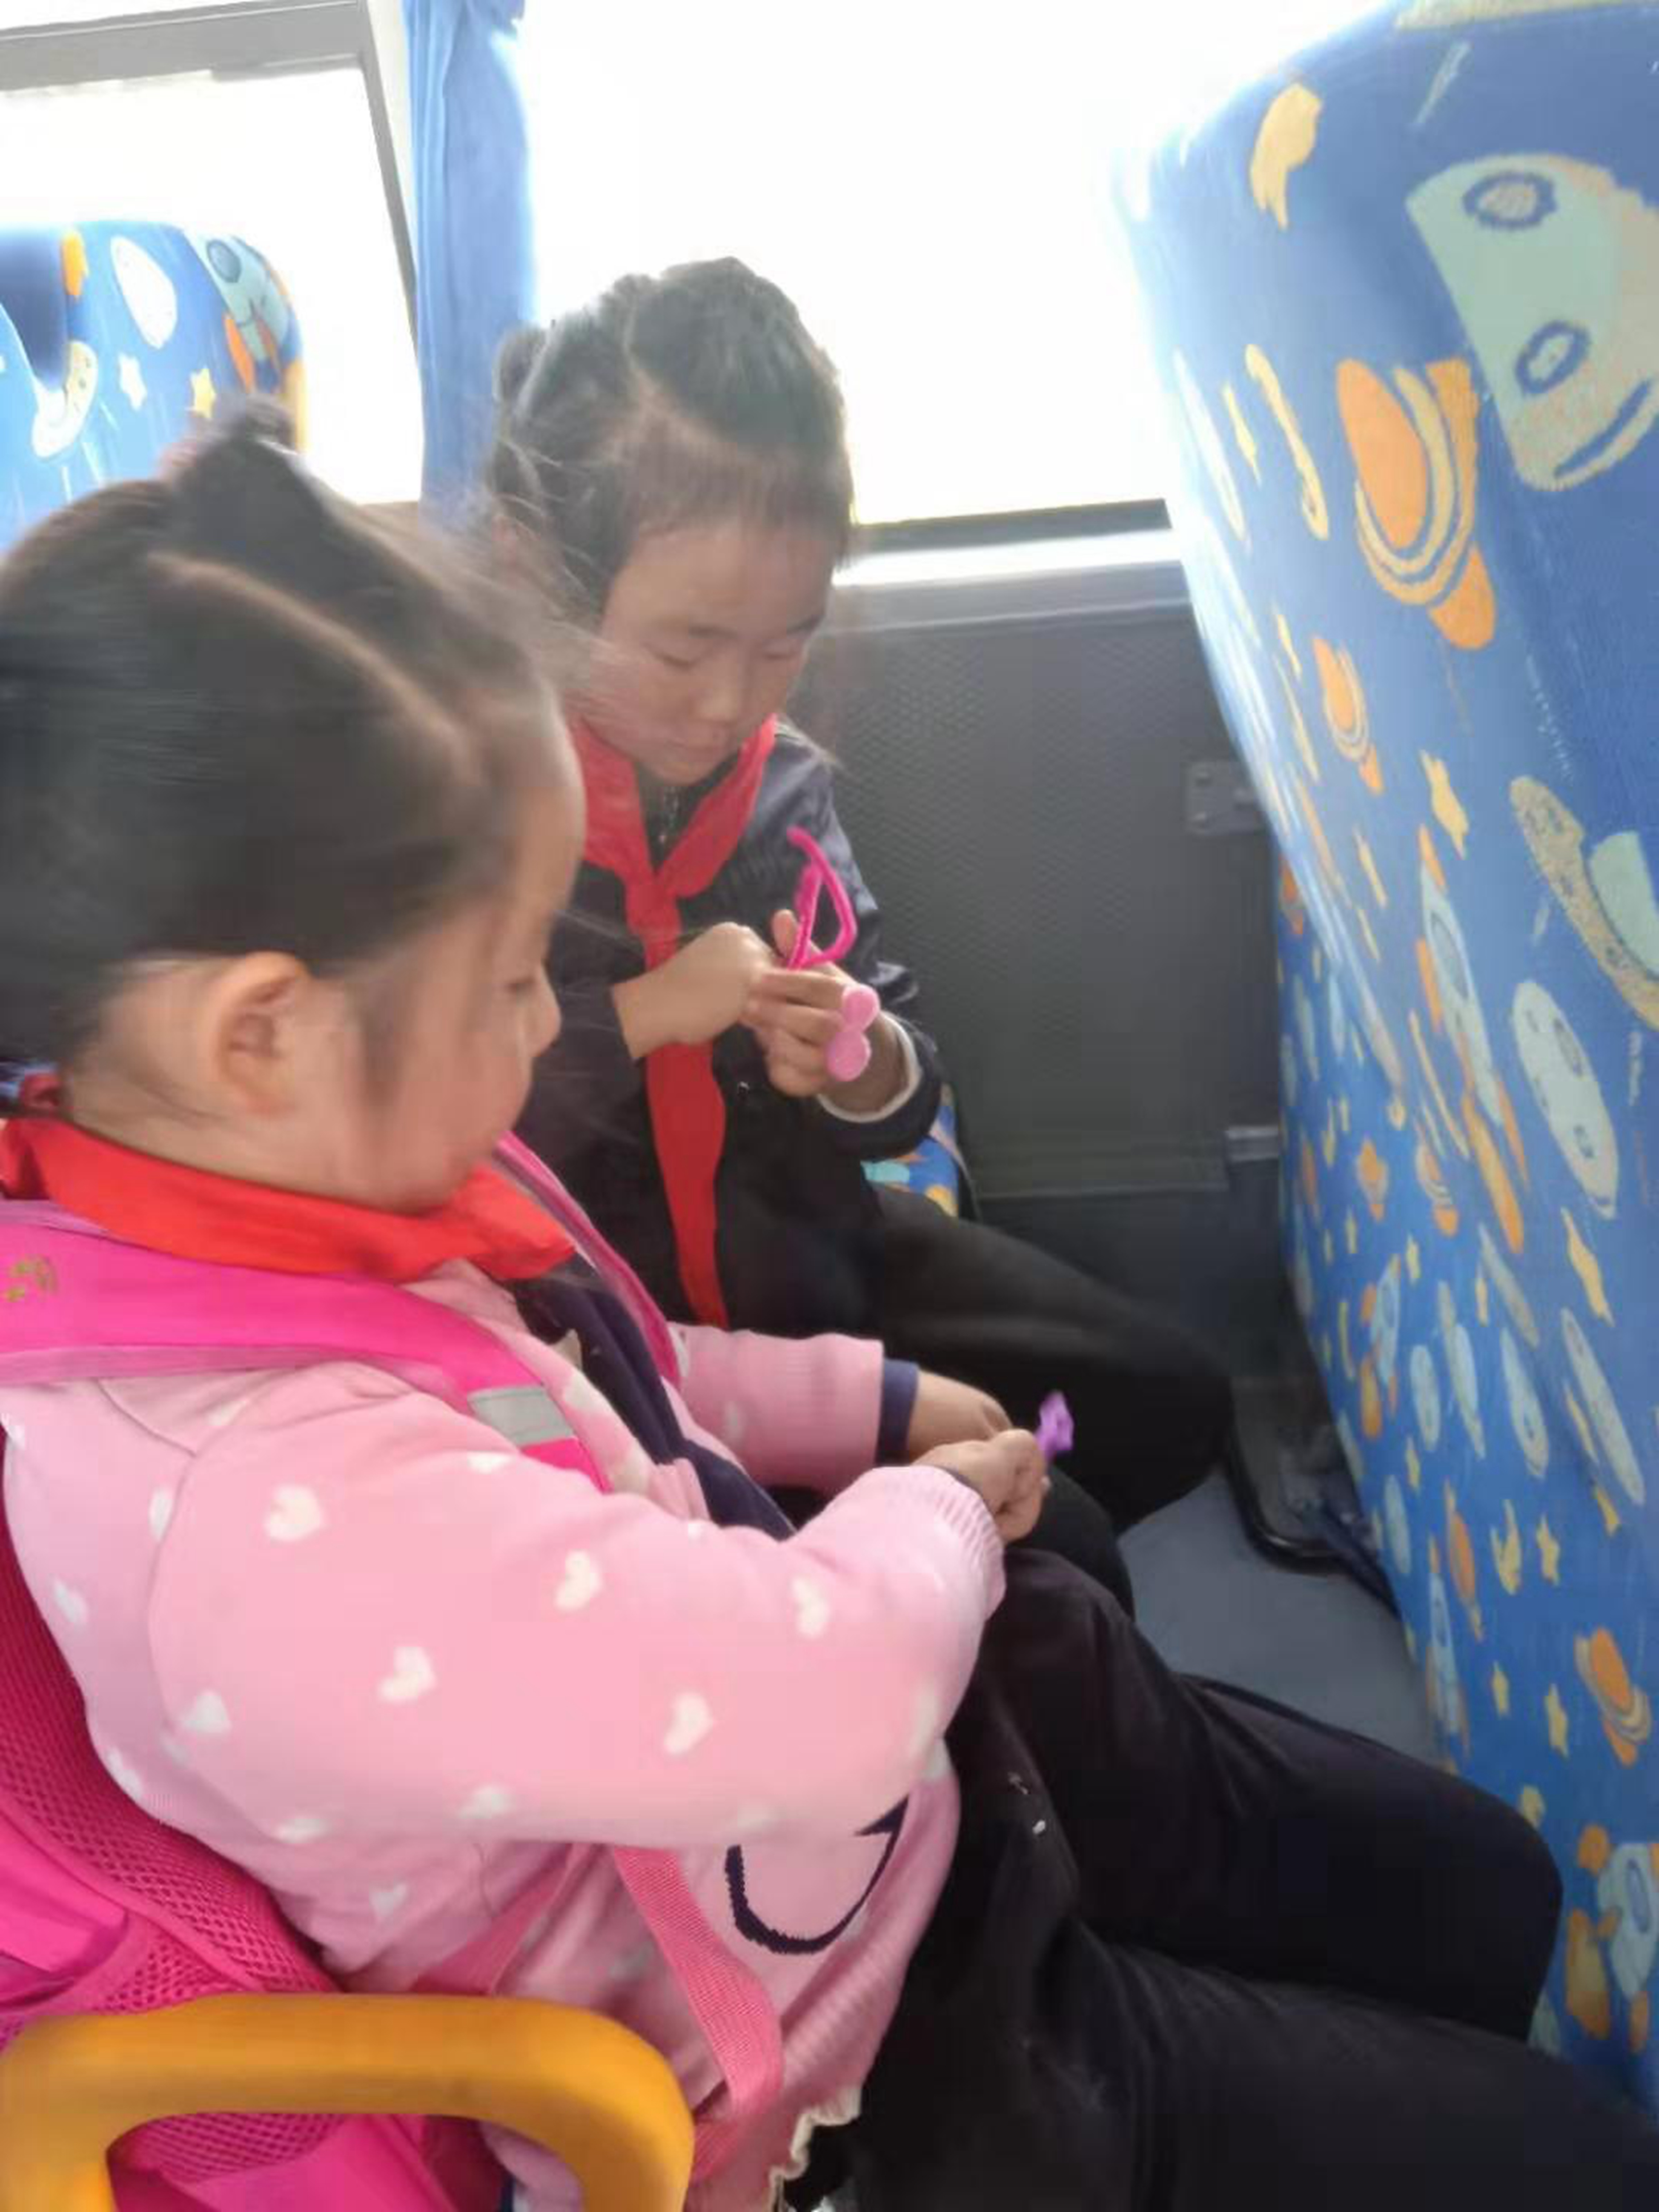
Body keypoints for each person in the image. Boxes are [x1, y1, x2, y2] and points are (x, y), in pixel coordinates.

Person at [1, 425, 1653, 2212]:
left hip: (895, 1831)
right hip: (859, 2068)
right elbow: (840, 1688)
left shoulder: (316, 1199)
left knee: (1479, 1890)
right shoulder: (260, 1515)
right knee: (1574, 2161)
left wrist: (873, 1405)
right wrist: (931, 1509)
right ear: (259, 1033)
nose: (544, 1029)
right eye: (507, 980)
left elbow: (602, 1380)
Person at [486, 258, 1230, 1539]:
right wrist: (647, 1015)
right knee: (1063, 1548)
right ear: (537, 576)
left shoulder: (778, 788)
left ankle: (924, 1523)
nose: (732, 701)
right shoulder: (475, 809)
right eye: (684, 647)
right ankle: (876, 1548)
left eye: (785, 644)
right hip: (605, 1339)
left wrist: (859, 1056)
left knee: (1170, 1404)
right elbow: (427, 1126)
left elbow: (899, 1067)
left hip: (815, 1268)